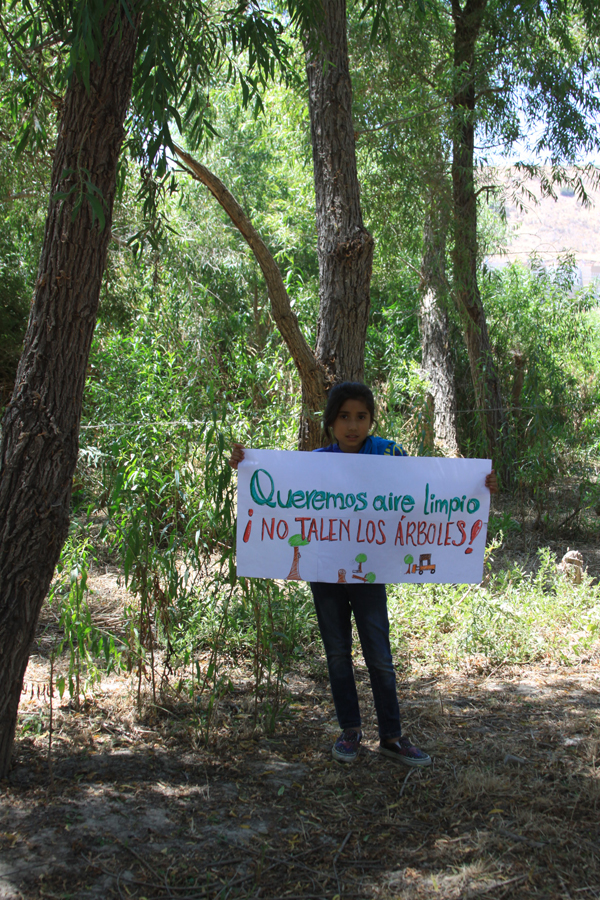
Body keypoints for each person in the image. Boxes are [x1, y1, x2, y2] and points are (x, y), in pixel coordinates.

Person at [229, 382, 498, 767]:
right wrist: (246, 465)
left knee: (380, 656)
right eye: (344, 417)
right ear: (331, 421)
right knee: (337, 654)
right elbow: (278, 488)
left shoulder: (389, 454)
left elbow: (427, 493)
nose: (352, 425)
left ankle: (391, 736)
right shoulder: (317, 462)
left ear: (372, 420)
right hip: (325, 575)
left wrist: (479, 487)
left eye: (361, 417)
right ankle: (351, 731)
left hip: (370, 575)